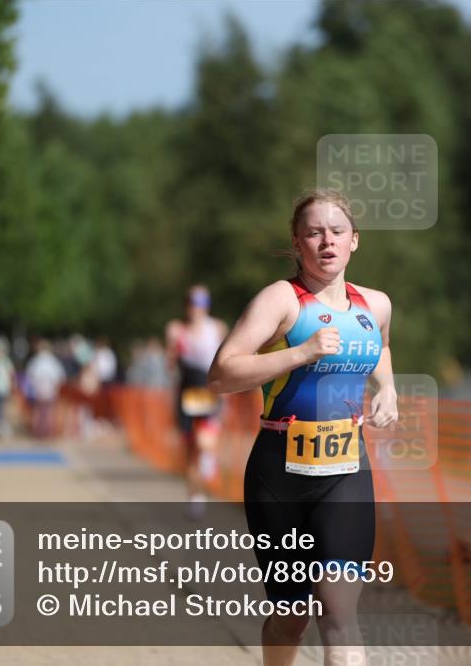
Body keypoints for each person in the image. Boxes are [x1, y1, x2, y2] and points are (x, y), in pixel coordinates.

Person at [209, 190, 398, 666]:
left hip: (345, 472)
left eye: (337, 232)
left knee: (339, 614)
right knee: (291, 615)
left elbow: (382, 348)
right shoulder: (281, 300)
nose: (326, 242)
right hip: (280, 475)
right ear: (297, 243)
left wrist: (389, 390)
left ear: (355, 241)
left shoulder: (375, 305)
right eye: (314, 233)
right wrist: (301, 352)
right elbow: (222, 374)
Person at [168, 285, 228, 519]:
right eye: (193, 303)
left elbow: (226, 361)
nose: (197, 309)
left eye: (201, 303)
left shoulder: (217, 328)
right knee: (190, 450)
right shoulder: (176, 330)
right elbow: (170, 365)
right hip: (186, 392)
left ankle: (207, 466)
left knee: (205, 445)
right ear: (187, 306)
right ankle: (194, 495)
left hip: (208, 391)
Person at [26, 339, 65, 439]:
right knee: (48, 412)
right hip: (50, 388)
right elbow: (60, 376)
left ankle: (38, 432)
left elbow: (30, 375)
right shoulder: (53, 361)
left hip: (39, 388)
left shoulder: (36, 360)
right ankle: (48, 432)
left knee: (38, 411)